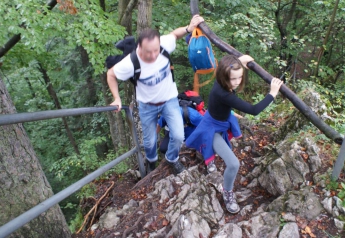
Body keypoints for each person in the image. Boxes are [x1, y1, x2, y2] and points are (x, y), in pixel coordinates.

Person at [107, 14, 205, 175]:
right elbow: (111, 74)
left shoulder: (164, 45)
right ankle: (151, 160)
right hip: (147, 105)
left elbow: (175, 34)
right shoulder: (130, 62)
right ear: (139, 47)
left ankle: (172, 159)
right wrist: (116, 98)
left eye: (155, 50)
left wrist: (189, 28)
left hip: (169, 100)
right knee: (150, 142)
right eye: (148, 52)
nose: (153, 55)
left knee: (179, 135)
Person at [185, 54, 283, 214]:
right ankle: (227, 192)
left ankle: (210, 159)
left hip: (219, 120)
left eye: (240, 77)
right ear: (224, 77)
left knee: (222, 151)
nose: (237, 82)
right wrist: (272, 93)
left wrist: (239, 62)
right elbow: (254, 110)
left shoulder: (222, 80)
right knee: (233, 164)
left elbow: (227, 67)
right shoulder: (224, 94)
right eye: (233, 79)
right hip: (211, 128)